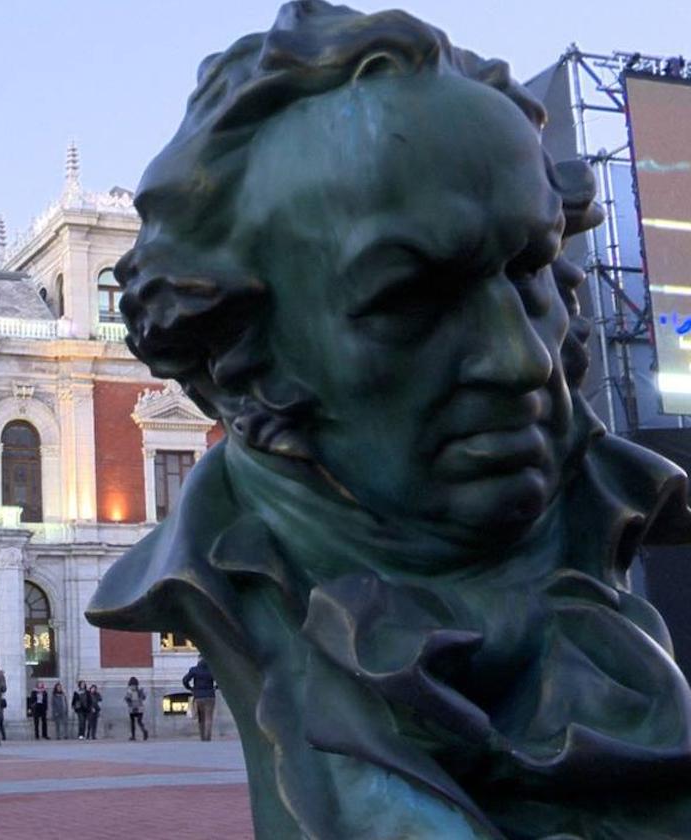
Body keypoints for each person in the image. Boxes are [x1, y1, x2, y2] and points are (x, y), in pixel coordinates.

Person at [85, 2, 691, 835]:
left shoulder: (607, 521)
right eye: (410, 298)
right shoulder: (244, 595)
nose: (523, 360)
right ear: (237, 356)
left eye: (529, 269)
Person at [180, 660, 216, 741]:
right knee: (209, 718)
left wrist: (190, 688)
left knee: (201, 718)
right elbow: (221, 680)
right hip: (210, 696)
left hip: (198, 696)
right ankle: (208, 737)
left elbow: (185, 680)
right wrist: (215, 688)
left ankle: (202, 737)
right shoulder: (212, 670)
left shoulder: (194, 670)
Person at [125, 676, 148, 741]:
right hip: (140, 708)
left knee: (132, 722)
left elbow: (128, 699)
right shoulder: (140, 690)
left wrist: (127, 699)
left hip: (132, 708)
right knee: (139, 721)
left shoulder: (129, 690)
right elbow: (144, 698)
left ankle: (133, 736)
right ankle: (144, 731)